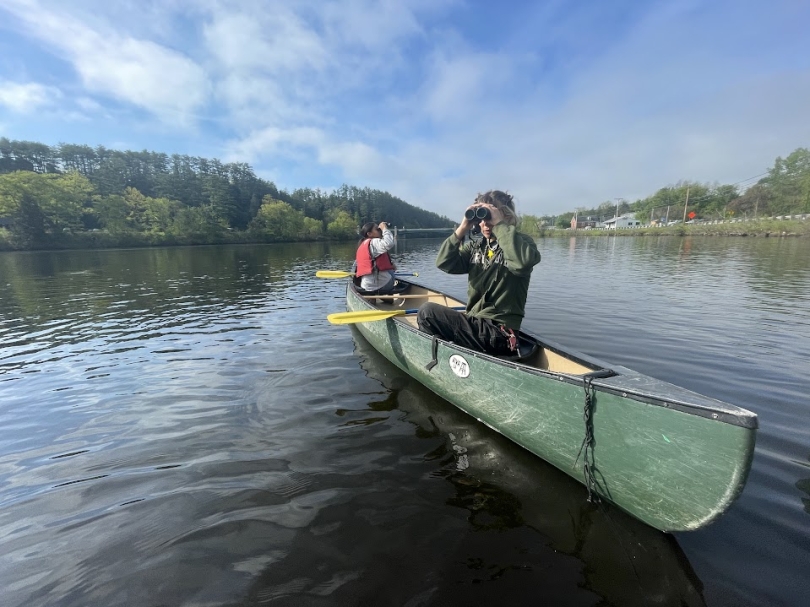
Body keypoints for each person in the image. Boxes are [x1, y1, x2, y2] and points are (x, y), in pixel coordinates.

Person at [417, 190, 541, 355]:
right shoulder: (476, 247)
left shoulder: (521, 243)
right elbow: (444, 262)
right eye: (481, 219)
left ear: (506, 215)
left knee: (427, 313)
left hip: (499, 333)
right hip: (477, 325)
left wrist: (500, 225)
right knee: (431, 315)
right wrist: (463, 228)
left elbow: (522, 263)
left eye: (490, 216)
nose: (485, 223)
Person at [354, 221, 398, 294]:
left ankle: (375, 299)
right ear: (369, 234)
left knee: (389, 270)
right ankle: (387, 297)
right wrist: (384, 229)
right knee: (390, 273)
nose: (380, 231)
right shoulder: (374, 242)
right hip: (382, 285)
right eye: (377, 229)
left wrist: (390, 264)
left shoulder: (363, 244)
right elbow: (389, 243)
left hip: (366, 286)